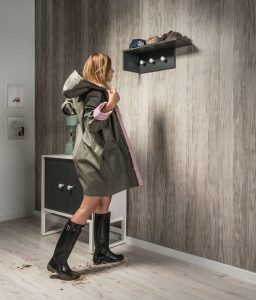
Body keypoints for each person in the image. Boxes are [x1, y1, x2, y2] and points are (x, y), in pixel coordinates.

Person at [47, 52, 143, 281]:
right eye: (110, 68)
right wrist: (110, 104)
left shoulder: (86, 91)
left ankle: (101, 251)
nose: (113, 72)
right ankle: (57, 261)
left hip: (98, 155)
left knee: (104, 198)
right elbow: (91, 124)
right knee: (88, 204)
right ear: (102, 71)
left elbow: (68, 108)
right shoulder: (95, 91)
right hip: (92, 156)